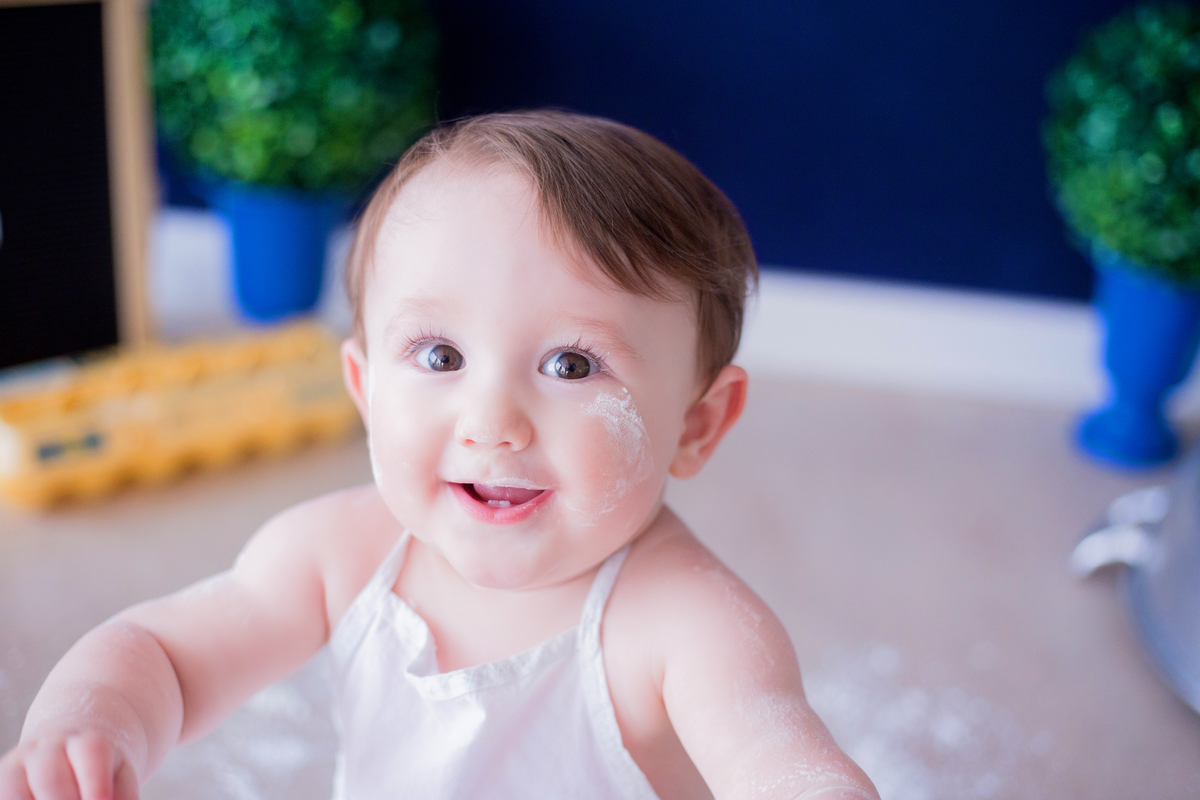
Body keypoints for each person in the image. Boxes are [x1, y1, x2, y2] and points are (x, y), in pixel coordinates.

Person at [0, 111, 878, 800]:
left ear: (696, 423)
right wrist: (94, 720)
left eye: (571, 363)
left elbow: (777, 758)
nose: (491, 421)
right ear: (365, 383)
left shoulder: (688, 623)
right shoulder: (338, 553)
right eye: (440, 357)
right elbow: (165, 653)